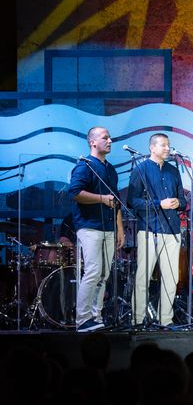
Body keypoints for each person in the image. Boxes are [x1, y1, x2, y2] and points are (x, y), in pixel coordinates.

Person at [68, 127, 125, 332]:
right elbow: (74, 192)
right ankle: (82, 319)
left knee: (104, 274)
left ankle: (96, 316)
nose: (110, 141)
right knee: (92, 271)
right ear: (92, 142)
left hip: (108, 227)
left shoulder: (110, 169)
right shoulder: (85, 166)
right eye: (105, 138)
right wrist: (101, 199)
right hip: (89, 226)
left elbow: (115, 200)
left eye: (110, 137)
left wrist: (120, 228)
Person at [127, 133, 187, 326]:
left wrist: (179, 202)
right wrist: (159, 203)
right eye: (163, 145)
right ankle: (137, 319)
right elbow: (132, 201)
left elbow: (183, 201)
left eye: (168, 145)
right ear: (152, 148)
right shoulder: (141, 169)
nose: (167, 149)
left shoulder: (173, 170)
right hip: (149, 229)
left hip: (172, 229)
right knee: (144, 275)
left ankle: (166, 319)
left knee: (171, 277)